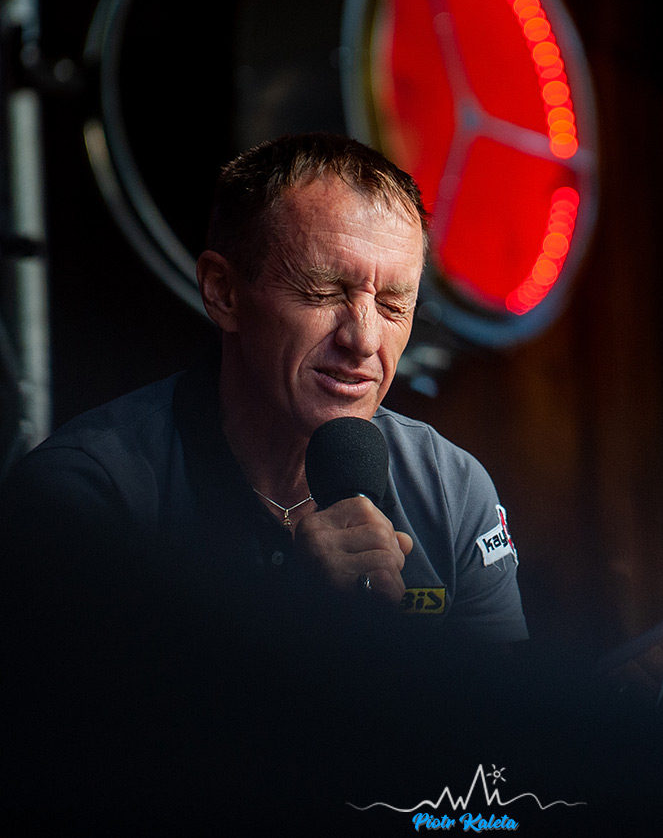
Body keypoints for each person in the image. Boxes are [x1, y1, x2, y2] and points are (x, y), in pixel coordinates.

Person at [0, 133, 525, 832]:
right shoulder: (86, 494)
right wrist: (287, 618)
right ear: (223, 292)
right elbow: (70, 765)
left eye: (394, 304)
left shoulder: (452, 487)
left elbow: (501, 764)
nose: (364, 339)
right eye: (324, 291)